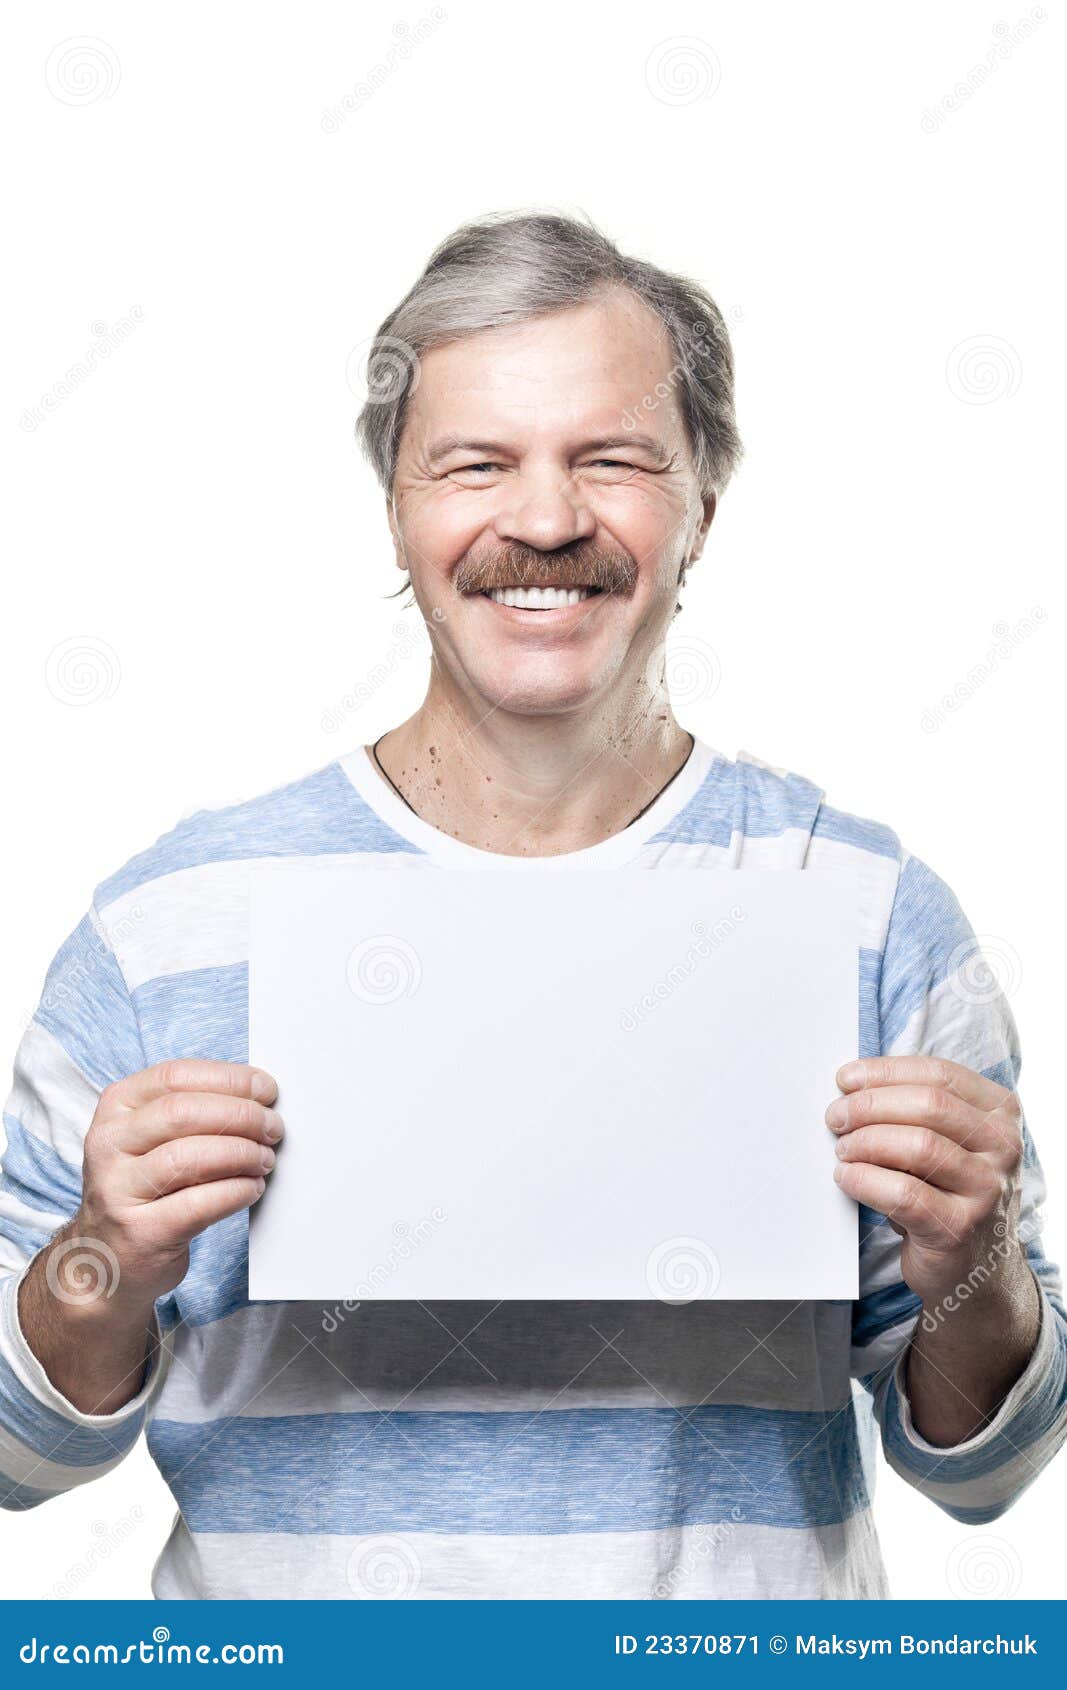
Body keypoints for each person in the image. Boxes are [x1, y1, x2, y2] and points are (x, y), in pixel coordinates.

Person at [1, 213, 1063, 1600]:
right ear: (398, 504)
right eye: (477, 463)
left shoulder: (861, 909)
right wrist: (105, 1258)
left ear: (702, 508)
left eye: (612, 460)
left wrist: (972, 1262)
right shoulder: (171, 927)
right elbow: (18, 1456)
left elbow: (986, 1475)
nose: (547, 518)